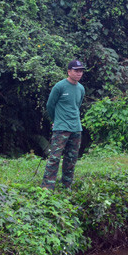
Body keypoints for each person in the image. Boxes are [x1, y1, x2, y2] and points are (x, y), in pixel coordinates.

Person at [41, 59, 87, 190]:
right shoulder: (60, 86)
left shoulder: (81, 88)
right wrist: (56, 120)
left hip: (76, 127)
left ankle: (67, 185)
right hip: (61, 128)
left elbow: (77, 106)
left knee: (71, 158)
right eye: (76, 71)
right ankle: (47, 187)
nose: (79, 73)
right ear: (69, 71)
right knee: (55, 157)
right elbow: (50, 105)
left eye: (81, 71)